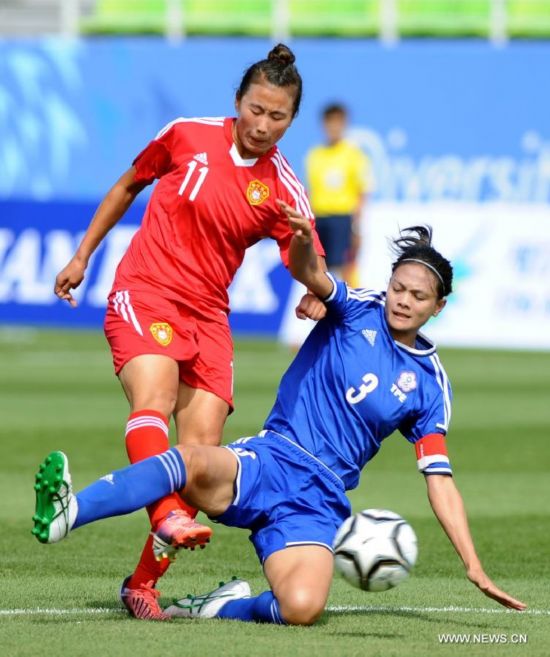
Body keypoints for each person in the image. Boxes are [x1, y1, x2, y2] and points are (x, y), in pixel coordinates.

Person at [35, 219, 526, 625]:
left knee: (302, 608)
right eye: (398, 287)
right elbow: (314, 275)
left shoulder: (430, 385)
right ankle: (68, 513)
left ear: (438, 307)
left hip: (321, 499)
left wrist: (473, 564)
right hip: (274, 457)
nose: (402, 300)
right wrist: (304, 245)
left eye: (418, 297)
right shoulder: (358, 309)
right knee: (189, 461)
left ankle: (220, 605)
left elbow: (439, 479)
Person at [52, 43, 327, 621]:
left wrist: (309, 279)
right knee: (152, 399)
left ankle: (142, 585)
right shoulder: (187, 134)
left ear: (291, 122)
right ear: (238, 102)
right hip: (146, 289)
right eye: (256, 109)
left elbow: (311, 270)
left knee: (199, 463)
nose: (262, 125)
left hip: (209, 317)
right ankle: (162, 518)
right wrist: (82, 256)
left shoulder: (284, 188)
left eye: (277, 117)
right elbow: (128, 185)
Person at [305, 103, 369, 283]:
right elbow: (309, 191)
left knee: (344, 267)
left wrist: (357, 225)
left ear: (344, 124)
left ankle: (350, 305)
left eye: (337, 123)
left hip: (342, 218)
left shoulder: (353, 154)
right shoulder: (315, 155)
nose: (333, 127)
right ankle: (324, 307)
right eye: (329, 123)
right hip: (319, 218)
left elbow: (362, 191)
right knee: (318, 266)